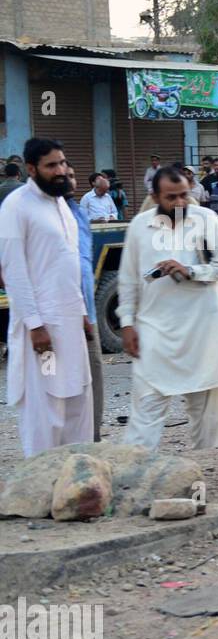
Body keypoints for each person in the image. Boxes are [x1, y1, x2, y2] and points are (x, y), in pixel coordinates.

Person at [119, 167, 218, 450]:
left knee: (209, 423)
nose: (179, 203)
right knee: (145, 414)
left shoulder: (206, 219)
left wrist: (190, 271)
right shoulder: (140, 226)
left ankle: (208, 482)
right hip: (156, 333)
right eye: (171, 198)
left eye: (184, 195)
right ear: (155, 196)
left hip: (204, 332)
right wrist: (127, 324)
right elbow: (127, 281)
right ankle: (134, 481)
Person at [0, 138, 94, 455]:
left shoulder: (62, 205)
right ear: (31, 169)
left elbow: (68, 265)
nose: (61, 171)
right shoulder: (16, 206)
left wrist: (82, 313)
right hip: (43, 329)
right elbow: (13, 271)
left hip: (70, 321)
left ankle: (76, 485)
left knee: (78, 400)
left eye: (63, 163)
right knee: (46, 405)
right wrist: (34, 325)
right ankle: (41, 489)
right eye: (51, 165)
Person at [64, 166, 104, 440]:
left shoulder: (77, 211)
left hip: (86, 314)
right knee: (55, 377)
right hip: (56, 316)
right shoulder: (36, 212)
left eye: (70, 174)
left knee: (93, 375)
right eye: (55, 169)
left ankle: (93, 436)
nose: (66, 179)